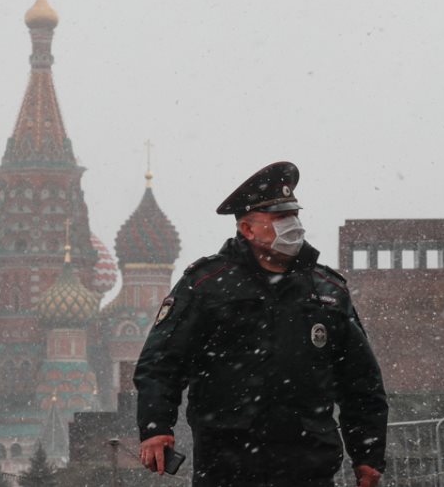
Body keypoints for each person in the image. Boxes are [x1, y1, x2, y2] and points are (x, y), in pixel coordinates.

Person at [133, 161, 388, 487]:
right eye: (280, 218)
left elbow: (361, 383)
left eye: (294, 215)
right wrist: (156, 428)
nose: (292, 225)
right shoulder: (208, 285)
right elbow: (161, 363)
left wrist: (368, 458)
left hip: (309, 465)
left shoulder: (327, 290)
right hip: (227, 463)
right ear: (247, 229)